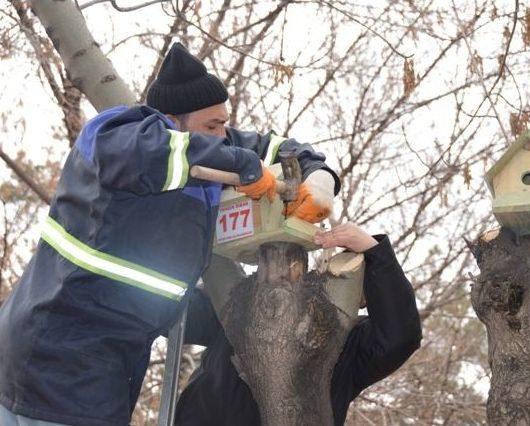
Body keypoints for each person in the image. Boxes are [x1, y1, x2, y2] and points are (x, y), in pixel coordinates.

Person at [0, 42, 339, 426]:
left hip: (104, 359)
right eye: (211, 126)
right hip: (60, 350)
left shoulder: (211, 145)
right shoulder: (117, 133)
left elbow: (278, 148)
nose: (222, 134)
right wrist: (243, 166)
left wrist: (318, 178)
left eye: (224, 123)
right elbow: (152, 155)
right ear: (169, 119)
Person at [174, 223, 422, 426]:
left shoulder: (344, 343)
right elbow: (173, 312)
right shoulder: (236, 307)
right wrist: (196, 229)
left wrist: (374, 251)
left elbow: (399, 336)